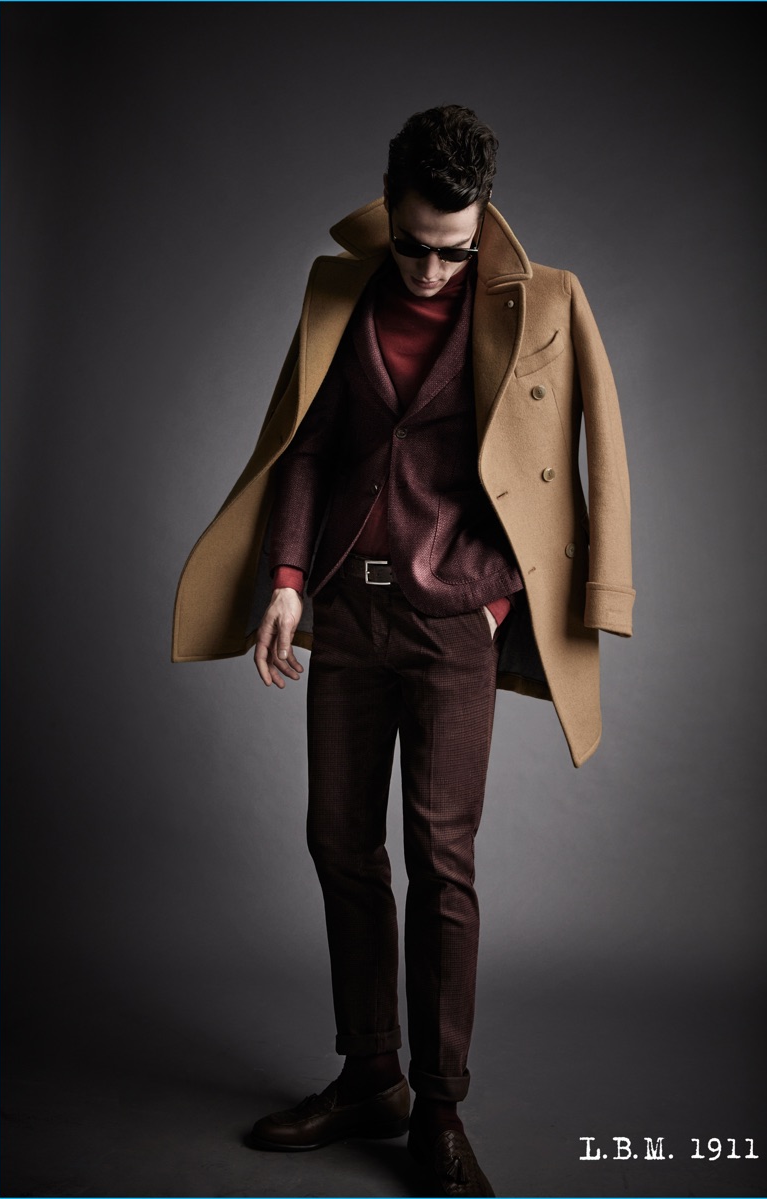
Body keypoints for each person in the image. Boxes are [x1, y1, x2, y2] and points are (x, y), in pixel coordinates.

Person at [172, 104, 634, 1197]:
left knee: (441, 860)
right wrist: (287, 580)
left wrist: (506, 603)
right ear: (387, 210)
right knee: (338, 841)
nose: (431, 272)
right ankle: (369, 1073)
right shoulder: (338, 290)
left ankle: (439, 1105)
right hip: (347, 613)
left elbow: (586, 453)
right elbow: (305, 446)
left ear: (483, 221)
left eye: (455, 251)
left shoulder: (547, 301)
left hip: (455, 623)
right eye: (415, 246)